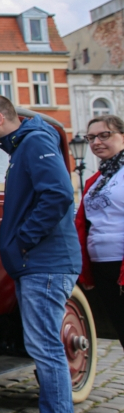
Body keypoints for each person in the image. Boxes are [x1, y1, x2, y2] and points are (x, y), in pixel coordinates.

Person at [0, 94, 82, 413]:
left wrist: (23, 242)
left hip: (45, 263)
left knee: (46, 350)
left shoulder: (35, 141)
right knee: (46, 348)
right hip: (40, 263)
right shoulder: (25, 144)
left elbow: (58, 195)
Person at [75, 115, 124, 358]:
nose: (96, 142)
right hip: (103, 266)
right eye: (91, 137)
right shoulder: (98, 178)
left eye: (105, 135)